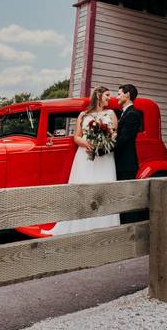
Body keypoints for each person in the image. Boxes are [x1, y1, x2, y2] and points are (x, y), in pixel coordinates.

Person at [47, 85, 120, 235]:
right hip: (85, 156)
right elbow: (77, 137)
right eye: (107, 95)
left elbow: (114, 134)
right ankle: (80, 226)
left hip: (104, 157)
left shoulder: (111, 113)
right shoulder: (83, 115)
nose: (109, 98)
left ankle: (104, 228)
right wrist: (87, 144)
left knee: (103, 189)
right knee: (83, 188)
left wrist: (102, 143)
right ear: (99, 95)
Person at [114, 83, 146, 224]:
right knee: (120, 198)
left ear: (127, 95)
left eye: (119, 93)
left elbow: (124, 139)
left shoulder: (133, 114)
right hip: (121, 163)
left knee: (127, 199)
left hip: (126, 164)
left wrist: (103, 149)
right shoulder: (124, 113)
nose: (117, 96)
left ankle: (131, 230)